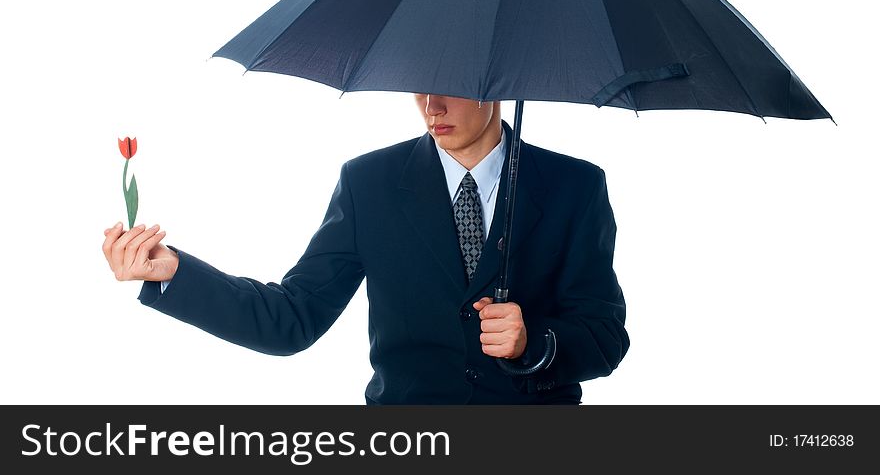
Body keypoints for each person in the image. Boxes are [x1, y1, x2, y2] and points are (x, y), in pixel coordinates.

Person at [102, 94, 629, 404]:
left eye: (449, 84)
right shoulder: (369, 184)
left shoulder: (573, 186)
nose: (431, 105)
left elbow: (606, 338)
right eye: (419, 85)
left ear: (500, 85)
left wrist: (532, 342)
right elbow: (291, 318)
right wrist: (172, 273)